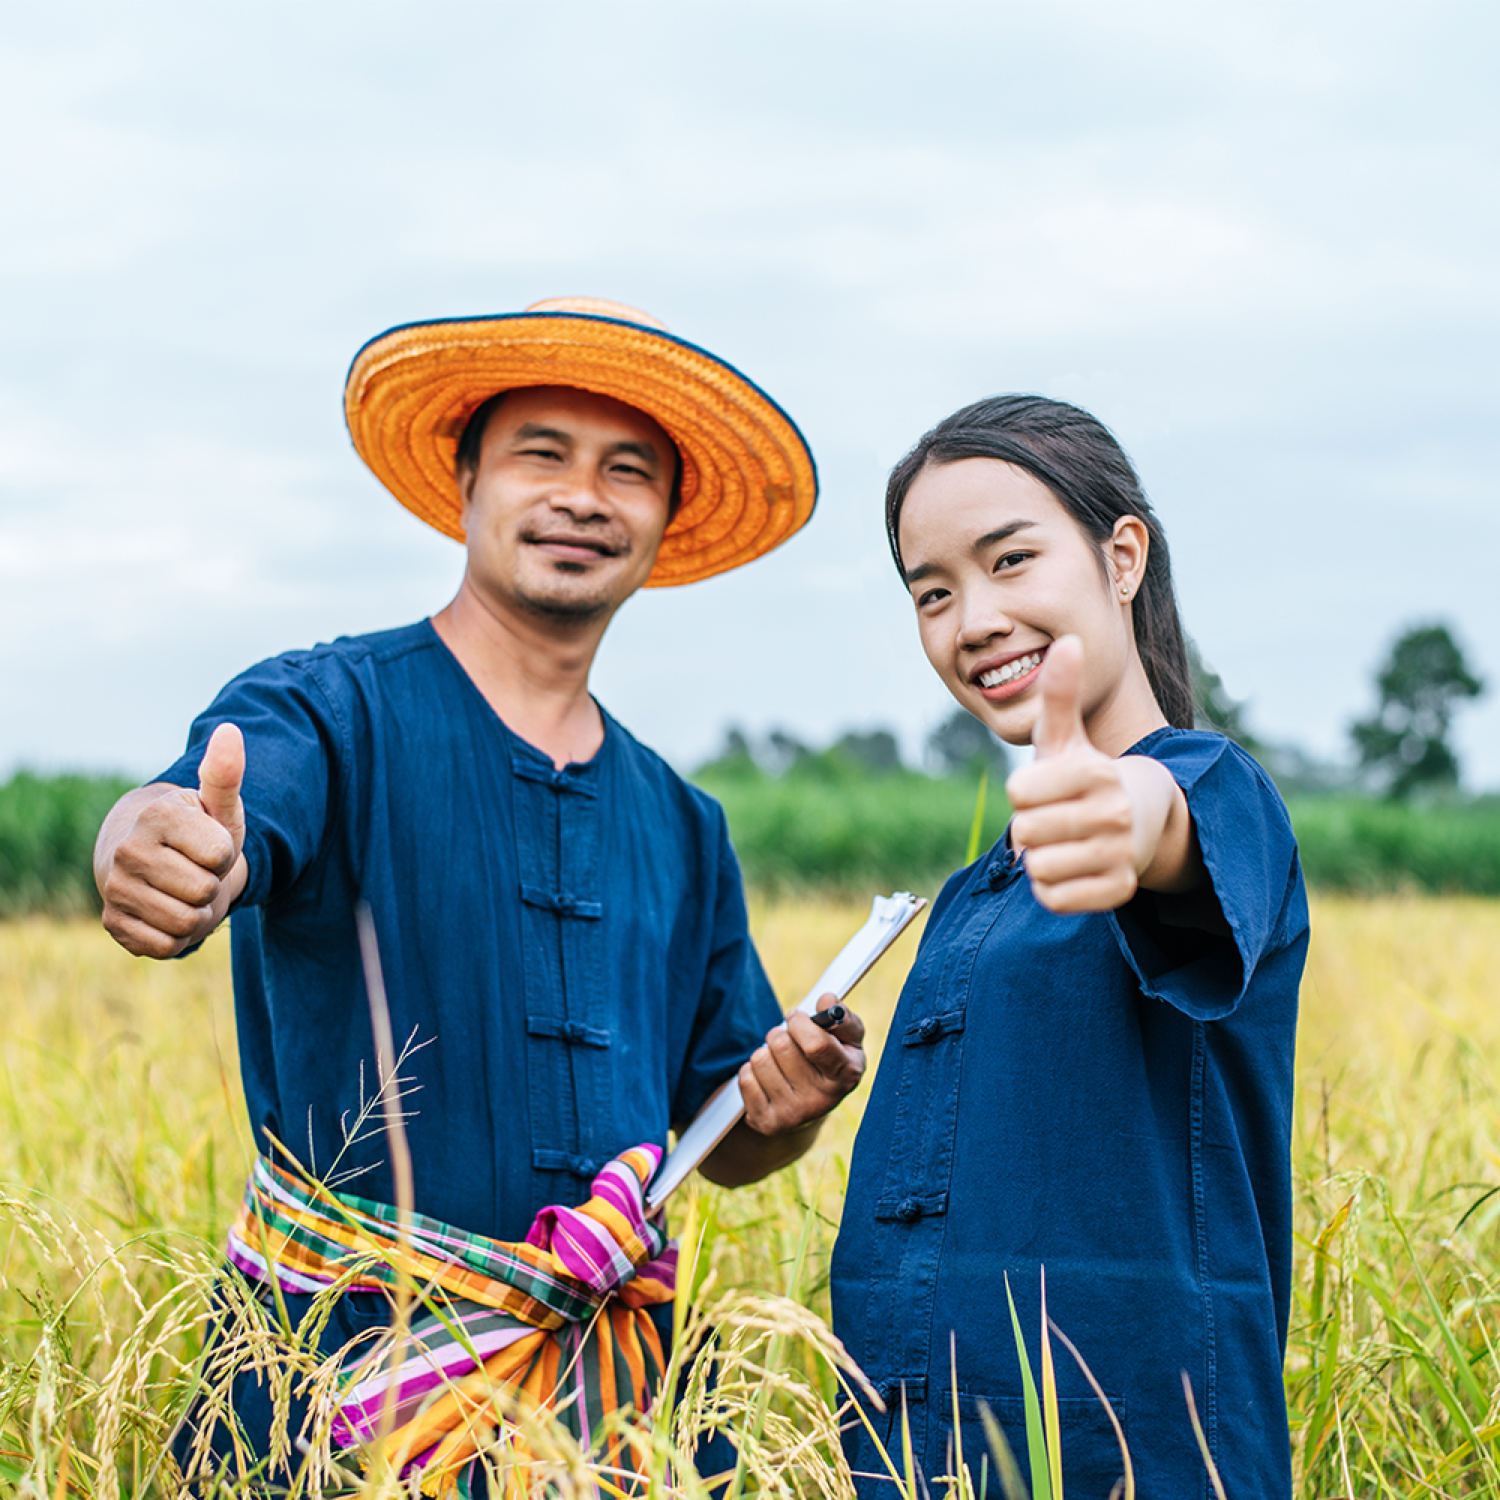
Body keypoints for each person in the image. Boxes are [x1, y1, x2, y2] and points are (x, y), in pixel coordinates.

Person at [94, 298, 866, 1489]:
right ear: (465, 485)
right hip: (331, 1380)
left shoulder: (682, 823)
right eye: (540, 455)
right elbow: (200, 811)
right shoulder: (333, 706)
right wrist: (151, 841)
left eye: (628, 470)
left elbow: (732, 1141)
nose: (582, 496)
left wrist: (794, 1100)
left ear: (664, 518)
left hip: (606, 1408)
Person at [830, 396, 1307, 1500]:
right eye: (932, 592)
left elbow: (1159, 824)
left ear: (1122, 554)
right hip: (917, 1460)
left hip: (1141, 1464)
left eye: (1011, 560)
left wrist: (1125, 809)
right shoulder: (968, 895)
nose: (974, 618)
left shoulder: (1212, 793)